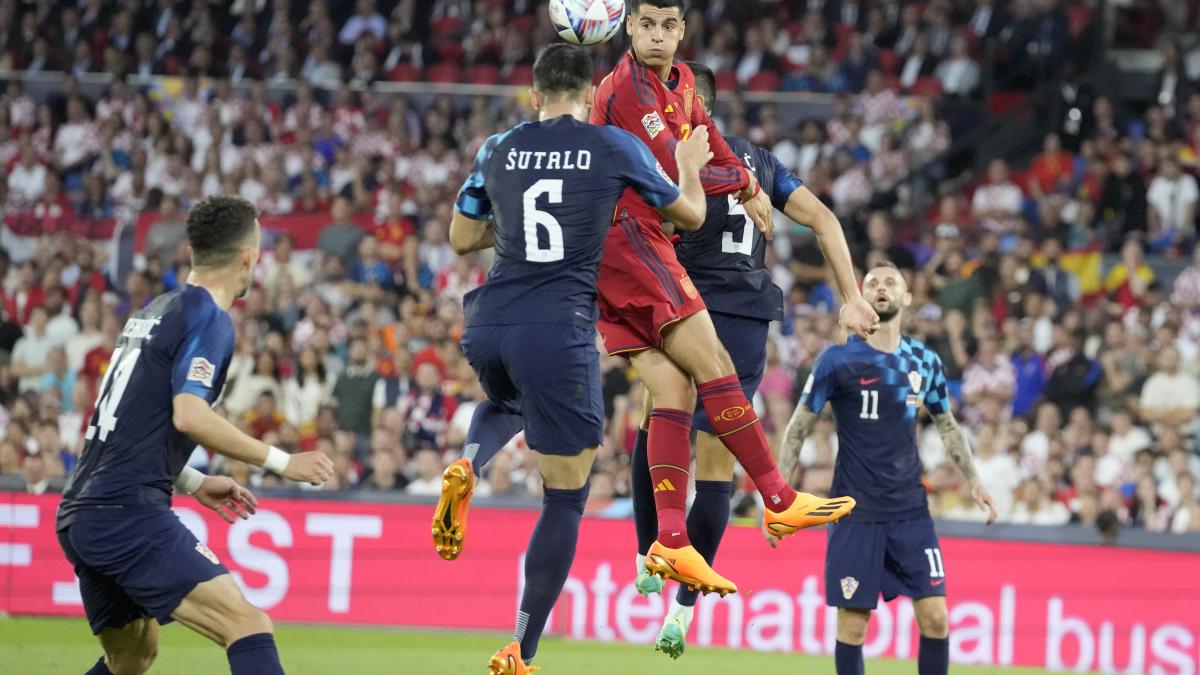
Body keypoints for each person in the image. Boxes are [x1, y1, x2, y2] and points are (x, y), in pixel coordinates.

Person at [431, 43, 711, 674]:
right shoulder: (612, 144)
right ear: (589, 98)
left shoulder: (498, 147)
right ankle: (521, 650)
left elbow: (461, 237)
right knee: (565, 498)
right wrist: (689, 164)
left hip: (490, 320)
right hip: (558, 329)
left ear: (534, 96)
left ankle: (469, 462)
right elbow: (688, 215)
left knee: (505, 401)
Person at [593, 0, 875, 597]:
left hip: (656, 256)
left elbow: (710, 149)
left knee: (666, 398)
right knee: (710, 399)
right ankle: (773, 499)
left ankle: (663, 549)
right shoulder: (629, 92)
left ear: (684, 32)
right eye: (647, 24)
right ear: (628, 27)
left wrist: (740, 180)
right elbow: (677, 171)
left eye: (669, 25)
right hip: (640, 250)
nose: (659, 36)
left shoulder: (685, 87)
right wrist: (747, 181)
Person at [637, 61, 876, 659]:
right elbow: (823, 217)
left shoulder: (674, 156)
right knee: (717, 466)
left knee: (657, 424)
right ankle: (684, 610)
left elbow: (652, 223)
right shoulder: (761, 164)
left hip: (685, 307)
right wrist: (850, 297)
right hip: (746, 321)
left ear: (688, 105)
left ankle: (650, 556)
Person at [55, 195, 334, 675]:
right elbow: (189, 415)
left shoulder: (152, 311)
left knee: (131, 657)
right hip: (126, 512)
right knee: (247, 625)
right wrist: (284, 462)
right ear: (248, 256)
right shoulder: (209, 318)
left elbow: (124, 422)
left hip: (81, 512)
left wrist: (192, 482)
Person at [779, 262, 998, 675]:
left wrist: (974, 481)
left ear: (907, 297)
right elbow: (797, 428)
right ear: (861, 296)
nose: (881, 288)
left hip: (910, 513)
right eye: (872, 283)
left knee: (936, 618)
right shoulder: (838, 360)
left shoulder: (924, 361)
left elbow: (947, 425)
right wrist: (776, 495)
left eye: (891, 282)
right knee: (853, 627)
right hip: (854, 514)